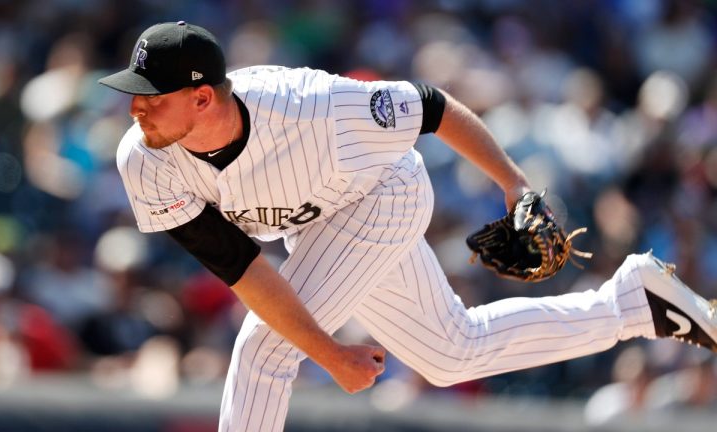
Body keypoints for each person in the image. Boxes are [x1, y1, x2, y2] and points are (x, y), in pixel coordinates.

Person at [98, 21, 717, 432]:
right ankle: (632, 305)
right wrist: (331, 352)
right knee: (452, 352)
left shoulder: (312, 109)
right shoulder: (145, 159)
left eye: (152, 97)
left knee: (263, 348)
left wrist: (514, 183)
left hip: (383, 196)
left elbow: (432, 107)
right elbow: (244, 269)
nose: (136, 108)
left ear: (203, 97)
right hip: (316, 226)